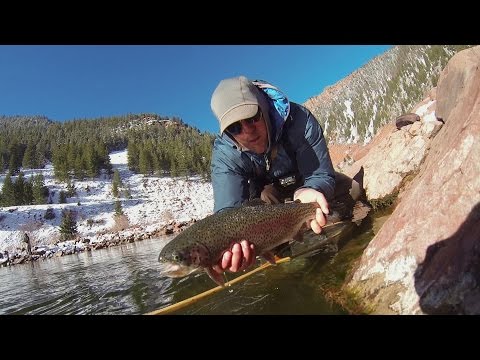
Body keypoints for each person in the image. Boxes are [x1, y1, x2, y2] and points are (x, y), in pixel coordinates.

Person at [209, 75, 362, 275]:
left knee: (354, 190)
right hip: (268, 200)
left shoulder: (299, 120)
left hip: (305, 182)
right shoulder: (225, 155)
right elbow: (227, 215)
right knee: (264, 199)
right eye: (235, 128)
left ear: (263, 108)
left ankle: (336, 229)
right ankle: (280, 253)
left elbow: (319, 173)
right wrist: (225, 245)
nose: (248, 131)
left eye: (252, 118)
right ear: (227, 132)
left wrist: (314, 190)